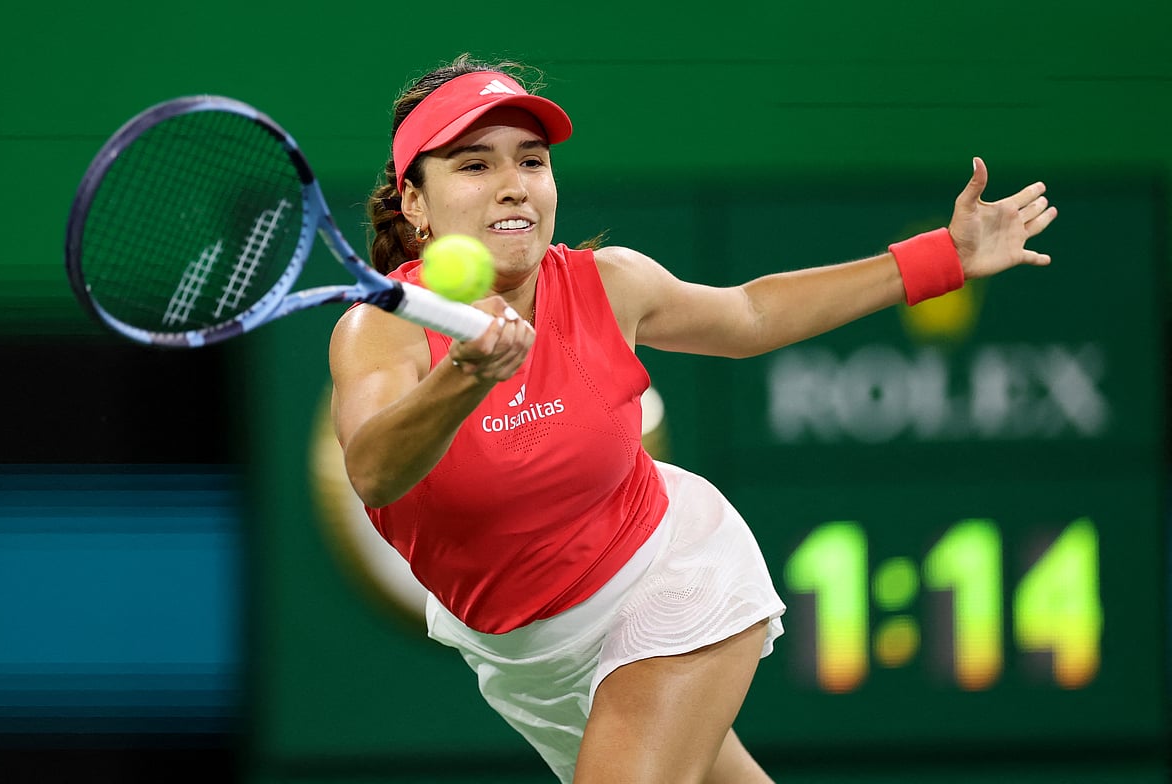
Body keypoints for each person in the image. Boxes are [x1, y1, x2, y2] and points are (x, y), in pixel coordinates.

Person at [328, 54, 1057, 784]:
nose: (515, 184)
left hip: (665, 574)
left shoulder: (608, 284)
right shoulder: (380, 330)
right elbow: (375, 471)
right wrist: (464, 375)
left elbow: (751, 315)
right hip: (527, 657)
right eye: (474, 165)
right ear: (415, 203)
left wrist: (945, 256)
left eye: (532, 159)